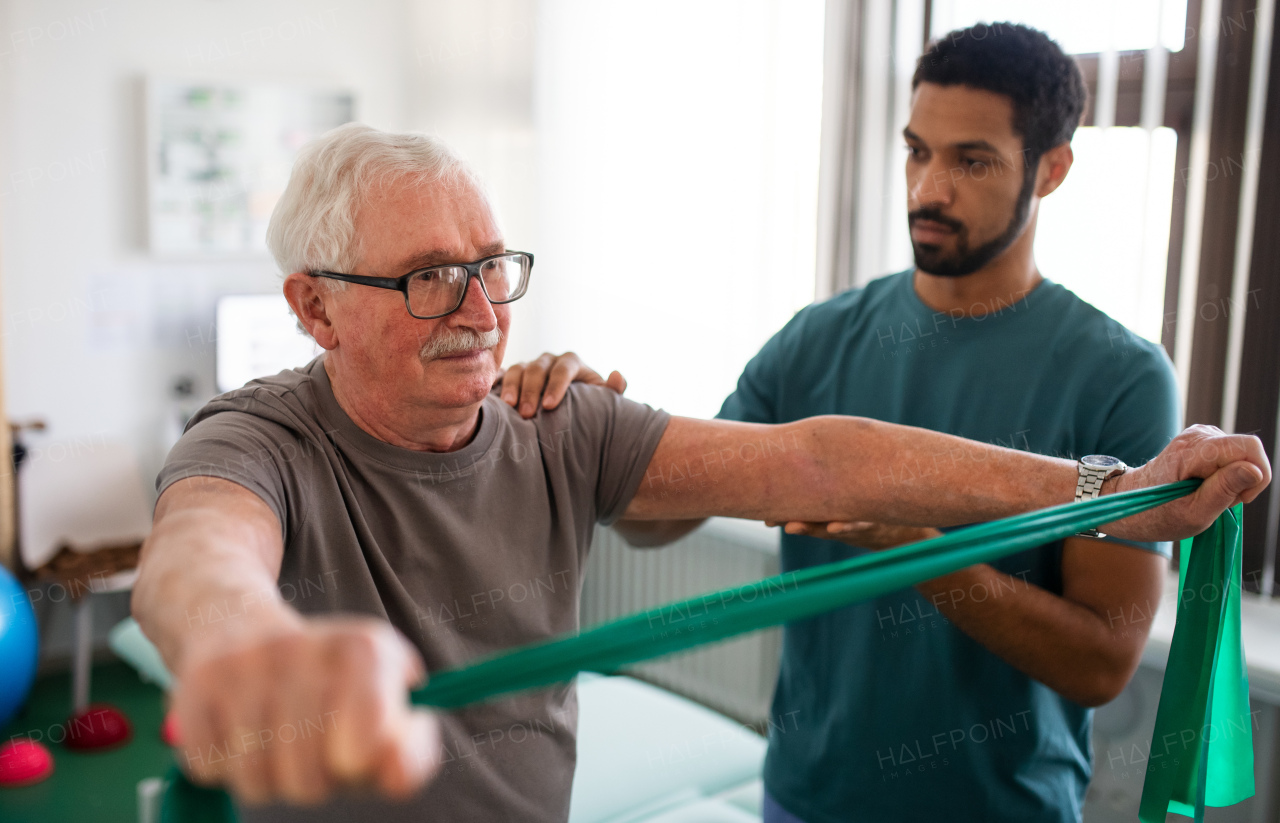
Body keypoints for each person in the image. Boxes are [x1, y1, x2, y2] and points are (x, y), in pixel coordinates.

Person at [131, 122, 1268, 823]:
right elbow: (196, 562)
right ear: (314, 307)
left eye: (490, 266)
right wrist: (253, 645)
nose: (481, 313)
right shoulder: (257, 440)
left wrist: (1118, 488)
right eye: (429, 278)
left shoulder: (556, 422)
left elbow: (823, 457)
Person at [505, 23, 1212, 823]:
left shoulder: (1120, 374)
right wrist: (586, 427)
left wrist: (912, 548)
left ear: (1052, 169)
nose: (928, 189)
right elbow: (656, 524)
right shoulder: (818, 339)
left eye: (970, 160)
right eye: (917, 151)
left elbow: (1100, 662)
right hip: (807, 798)